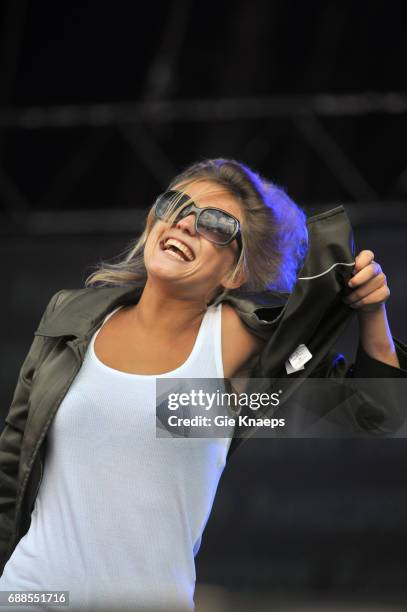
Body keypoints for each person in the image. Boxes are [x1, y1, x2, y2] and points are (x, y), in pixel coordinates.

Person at [0, 158, 406, 612]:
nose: (187, 223)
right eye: (176, 205)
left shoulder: (233, 341)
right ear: (155, 222)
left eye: (215, 223)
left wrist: (372, 312)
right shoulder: (72, 317)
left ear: (234, 273)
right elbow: (12, 460)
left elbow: (382, 414)